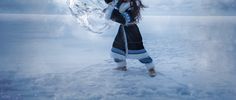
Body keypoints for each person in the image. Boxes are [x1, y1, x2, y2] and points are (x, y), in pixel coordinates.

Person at [104, 0, 156, 77]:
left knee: (139, 52)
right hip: (122, 31)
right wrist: (110, 6)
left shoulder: (133, 4)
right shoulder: (122, 2)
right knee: (117, 50)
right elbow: (111, 2)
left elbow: (124, 19)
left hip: (132, 31)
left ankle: (151, 68)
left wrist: (111, 13)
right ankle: (121, 66)